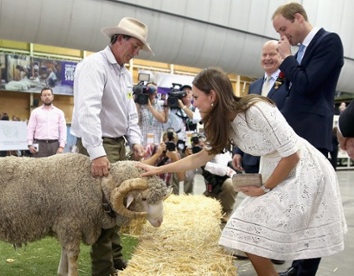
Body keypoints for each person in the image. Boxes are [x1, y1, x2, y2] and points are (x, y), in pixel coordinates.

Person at [137, 68, 347, 276]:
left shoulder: (256, 110)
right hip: (278, 170)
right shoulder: (223, 122)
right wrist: (158, 168)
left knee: (249, 230)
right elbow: (200, 157)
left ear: (212, 96)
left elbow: (293, 155)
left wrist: (265, 188)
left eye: (197, 97)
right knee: (244, 231)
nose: (194, 103)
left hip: (304, 171)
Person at [70, 17, 151, 276]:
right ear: (119, 39)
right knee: (103, 211)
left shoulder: (125, 74)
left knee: (119, 207)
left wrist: (136, 141)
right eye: (135, 46)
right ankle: (103, 269)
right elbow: (88, 112)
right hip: (100, 146)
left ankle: (115, 260)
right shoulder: (94, 66)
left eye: (139, 48)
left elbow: (129, 112)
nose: (136, 52)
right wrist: (97, 153)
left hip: (118, 145)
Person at [272, 3, 344, 275]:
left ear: (299, 18)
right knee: (297, 207)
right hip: (295, 137)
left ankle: (304, 270)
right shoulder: (301, 51)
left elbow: (307, 84)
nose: (283, 35)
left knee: (312, 208)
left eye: (284, 28)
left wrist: (287, 59)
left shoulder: (329, 42)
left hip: (312, 135)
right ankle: (298, 267)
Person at [232, 40, 287, 173]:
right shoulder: (254, 86)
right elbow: (245, 118)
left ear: (281, 56)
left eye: (272, 54)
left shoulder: (289, 83)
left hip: (277, 155)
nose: (267, 58)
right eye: (264, 55)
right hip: (252, 157)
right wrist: (238, 151)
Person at [27, 87, 67, 157]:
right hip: (39, 145)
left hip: (55, 146)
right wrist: (30, 144)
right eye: (44, 95)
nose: (47, 97)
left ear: (52, 97)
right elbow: (30, 128)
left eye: (49, 95)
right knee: (39, 167)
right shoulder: (35, 112)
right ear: (41, 97)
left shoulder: (59, 112)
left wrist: (61, 146)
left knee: (55, 167)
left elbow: (63, 130)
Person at [163, 84, 201, 153]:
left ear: (192, 95)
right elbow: (166, 126)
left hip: (191, 145)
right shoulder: (173, 110)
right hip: (176, 144)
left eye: (189, 92)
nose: (186, 94)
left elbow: (196, 119)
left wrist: (182, 106)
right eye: (184, 93)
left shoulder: (195, 109)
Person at [135, 82, 166, 146]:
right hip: (143, 143)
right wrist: (137, 105)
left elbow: (162, 119)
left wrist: (150, 107)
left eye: (155, 90)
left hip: (156, 143)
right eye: (150, 89)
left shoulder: (160, 103)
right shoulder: (140, 104)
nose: (153, 92)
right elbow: (136, 122)